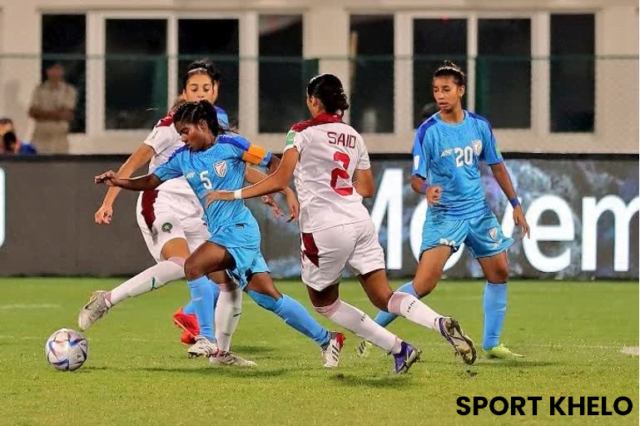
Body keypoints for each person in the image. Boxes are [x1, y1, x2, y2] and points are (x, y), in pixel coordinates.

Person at [203, 74, 477, 373]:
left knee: (324, 303)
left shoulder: (300, 132)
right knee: (384, 296)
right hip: (359, 219)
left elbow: (281, 178)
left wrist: (232, 193)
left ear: (314, 101)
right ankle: (437, 323)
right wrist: (340, 194)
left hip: (324, 227)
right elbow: (368, 189)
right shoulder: (353, 135)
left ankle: (398, 347)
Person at [94, 100, 345, 368]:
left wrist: (278, 190)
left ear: (203, 125)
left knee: (193, 265)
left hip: (239, 230)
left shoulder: (232, 145)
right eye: (179, 132)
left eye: (186, 131)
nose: (182, 137)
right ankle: (327, 339)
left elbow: (274, 164)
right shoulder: (183, 157)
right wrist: (118, 181)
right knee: (269, 298)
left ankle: (207, 339)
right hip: (223, 232)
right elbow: (151, 181)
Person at [78, 59, 285, 365]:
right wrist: (110, 199)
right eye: (193, 88)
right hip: (161, 203)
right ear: (183, 92)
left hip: (199, 210)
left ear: (215, 90)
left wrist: (269, 188)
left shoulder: (217, 124)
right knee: (181, 263)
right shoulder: (168, 127)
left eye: (205, 88)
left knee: (227, 284)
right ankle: (106, 300)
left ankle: (220, 353)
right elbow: (135, 164)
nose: (200, 93)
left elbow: (234, 165)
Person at [361, 61, 530, 359]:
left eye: (446, 89)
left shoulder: (479, 126)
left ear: (461, 91)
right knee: (423, 285)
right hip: (445, 216)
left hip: (478, 213)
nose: (440, 95)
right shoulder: (428, 132)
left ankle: (492, 343)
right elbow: (415, 179)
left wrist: (516, 204)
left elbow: (497, 167)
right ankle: (373, 332)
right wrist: (427, 189)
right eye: (436, 90)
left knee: (500, 271)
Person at [28, 62, 77, 154]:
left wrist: (42, 115)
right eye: (52, 69)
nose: (55, 73)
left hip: (59, 137)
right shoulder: (39, 90)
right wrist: (56, 114)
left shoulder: (68, 91)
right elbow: (32, 112)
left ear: (62, 72)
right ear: (47, 71)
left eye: (58, 69)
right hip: (40, 138)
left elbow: (66, 115)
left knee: (60, 166)